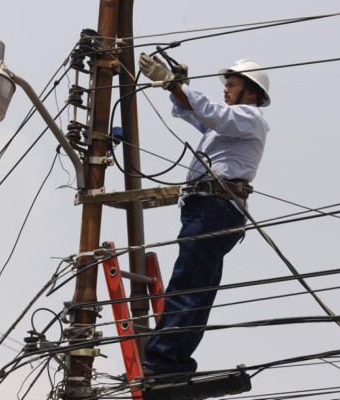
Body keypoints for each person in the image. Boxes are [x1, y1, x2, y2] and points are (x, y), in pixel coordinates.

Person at [137, 53, 271, 376]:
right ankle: (176, 362)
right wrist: (177, 88)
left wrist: (175, 83)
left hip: (214, 208)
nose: (226, 89)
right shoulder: (228, 126)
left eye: (232, 85)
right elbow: (195, 112)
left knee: (187, 285)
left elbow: (211, 112)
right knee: (198, 290)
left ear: (249, 93)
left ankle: (161, 360)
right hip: (211, 209)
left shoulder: (249, 118)